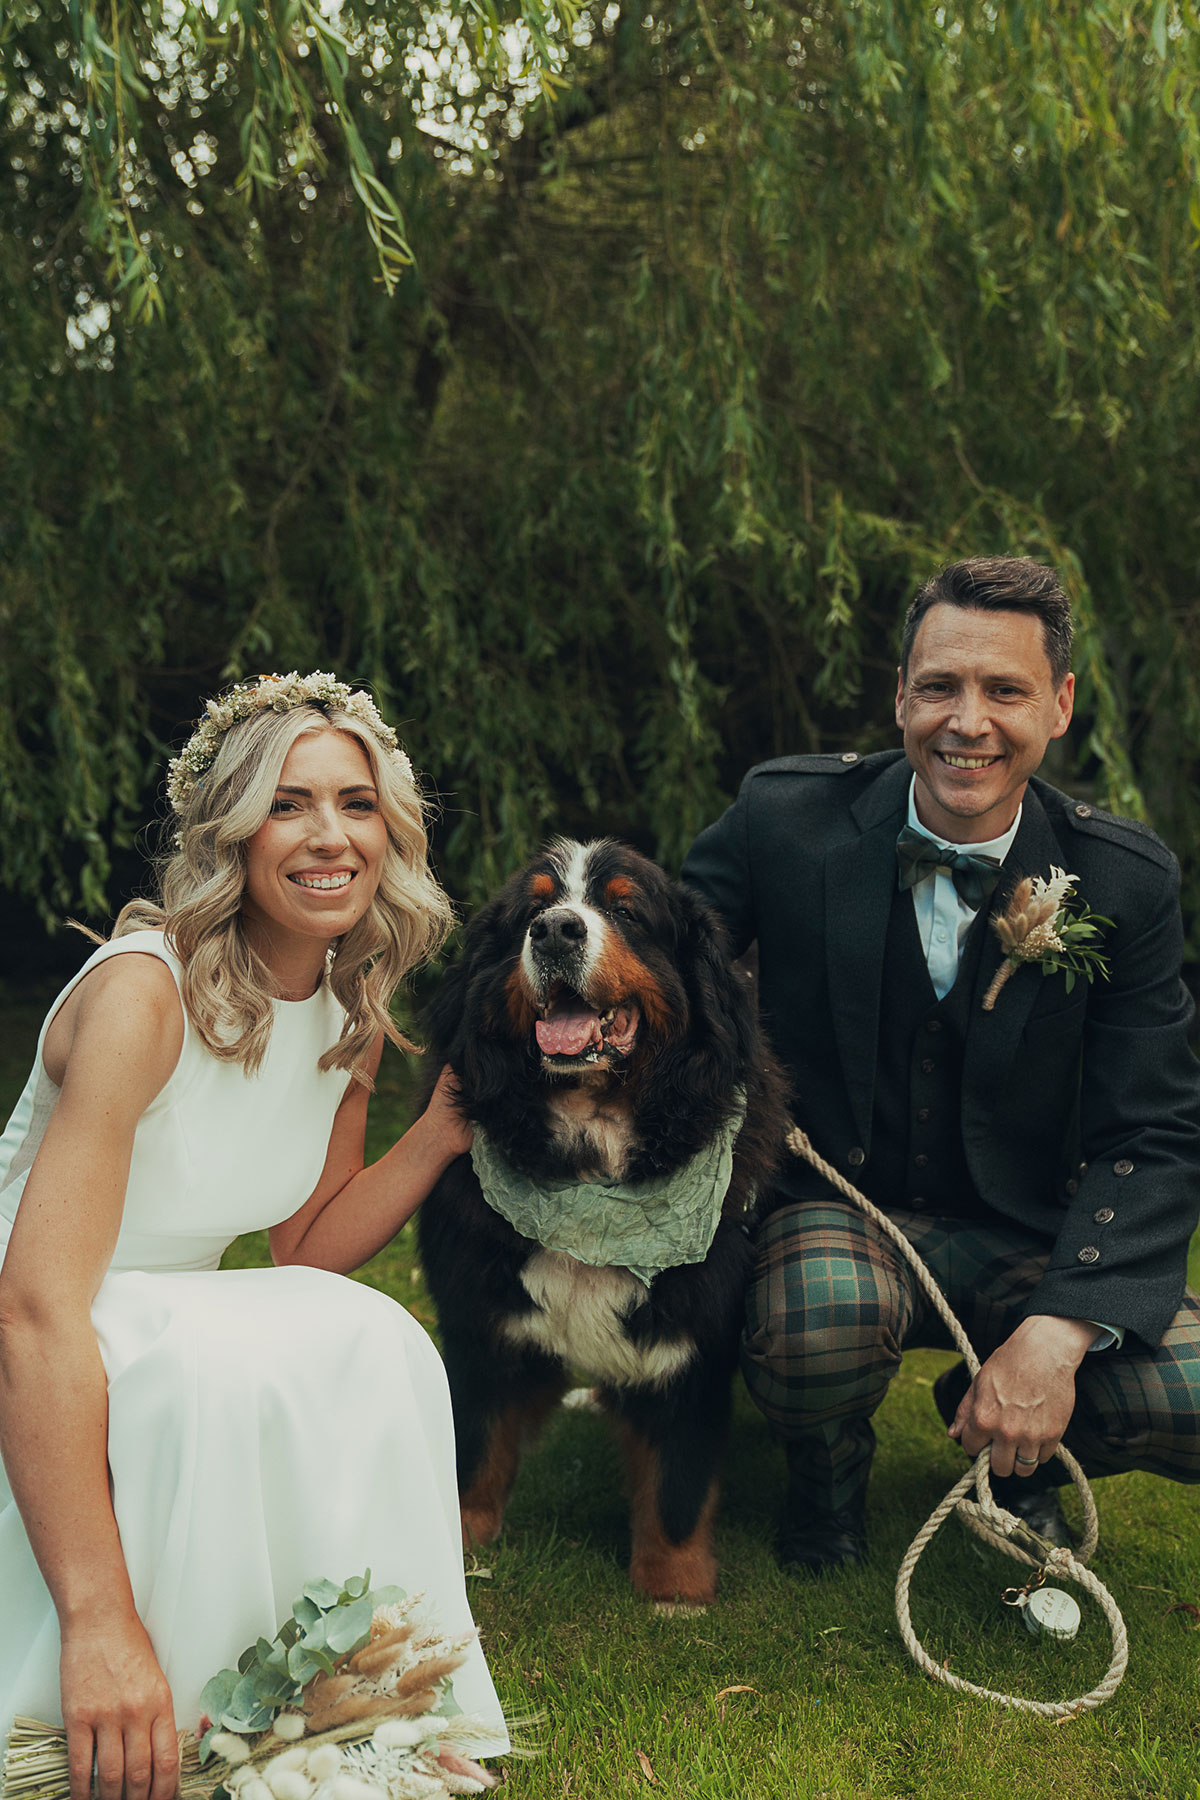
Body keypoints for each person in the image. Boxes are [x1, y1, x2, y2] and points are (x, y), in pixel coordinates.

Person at [0, 672, 509, 1798]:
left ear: (393, 830)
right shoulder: (144, 996)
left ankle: (344, 1694)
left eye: (358, 804)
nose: (331, 836)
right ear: (230, 830)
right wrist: (96, 1620)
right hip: (34, 1330)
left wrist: (437, 1133)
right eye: (289, 804)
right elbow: (32, 1308)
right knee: (208, 1366)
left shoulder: (347, 1006)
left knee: (374, 1335)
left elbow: (306, 1248)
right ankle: (142, 1680)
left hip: (148, 1312)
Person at [681, 557, 1200, 1573]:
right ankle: (824, 1477)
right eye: (940, 686)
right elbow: (664, 971)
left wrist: (1060, 1330)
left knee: (1189, 1394)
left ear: (1059, 705)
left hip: (1032, 1232)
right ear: (900, 697)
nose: (969, 722)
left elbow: (1156, 1130)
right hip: (838, 1211)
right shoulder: (785, 818)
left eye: (1005, 690)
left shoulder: (1123, 880)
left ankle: (1017, 1449)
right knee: (819, 1317)